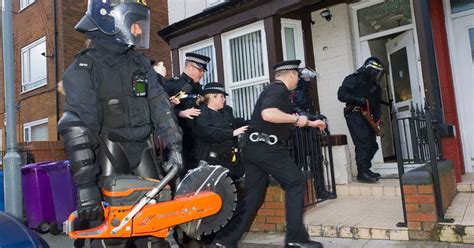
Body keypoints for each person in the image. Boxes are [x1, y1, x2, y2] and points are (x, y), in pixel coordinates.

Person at [57, 1, 183, 247]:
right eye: (133, 24)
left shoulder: (140, 64)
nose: (137, 32)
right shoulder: (84, 67)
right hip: (109, 152)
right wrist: (86, 188)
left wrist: (174, 144)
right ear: (109, 21)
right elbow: (78, 127)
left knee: (156, 227)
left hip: (144, 150)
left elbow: (159, 104)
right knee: (111, 234)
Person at [211, 60, 327, 248]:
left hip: (255, 148)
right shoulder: (278, 89)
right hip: (267, 148)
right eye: (297, 75)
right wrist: (299, 119)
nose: (298, 80)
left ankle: (223, 242)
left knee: (252, 198)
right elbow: (269, 114)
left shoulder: (275, 91)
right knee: (296, 181)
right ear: (290, 74)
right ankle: (295, 239)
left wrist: (311, 122)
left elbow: (280, 118)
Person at [337, 57, 384, 183]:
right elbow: (341, 95)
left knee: (372, 145)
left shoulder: (375, 85)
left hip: (367, 117)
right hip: (355, 113)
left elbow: (376, 103)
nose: (376, 74)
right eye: (374, 71)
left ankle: (365, 169)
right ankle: (362, 172)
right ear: (368, 68)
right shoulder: (354, 78)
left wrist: (378, 117)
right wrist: (359, 100)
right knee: (363, 141)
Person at [163, 53, 210, 174]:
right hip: (180, 138)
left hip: (197, 140)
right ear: (190, 67)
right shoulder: (173, 85)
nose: (202, 74)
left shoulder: (198, 88)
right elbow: (161, 109)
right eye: (200, 70)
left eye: (203, 71)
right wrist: (180, 113)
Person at [193, 82, 248, 180]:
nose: (224, 99)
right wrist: (232, 133)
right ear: (212, 97)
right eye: (221, 96)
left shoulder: (226, 112)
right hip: (212, 163)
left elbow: (236, 122)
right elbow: (209, 133)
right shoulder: (201, 113)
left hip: (231, 162)